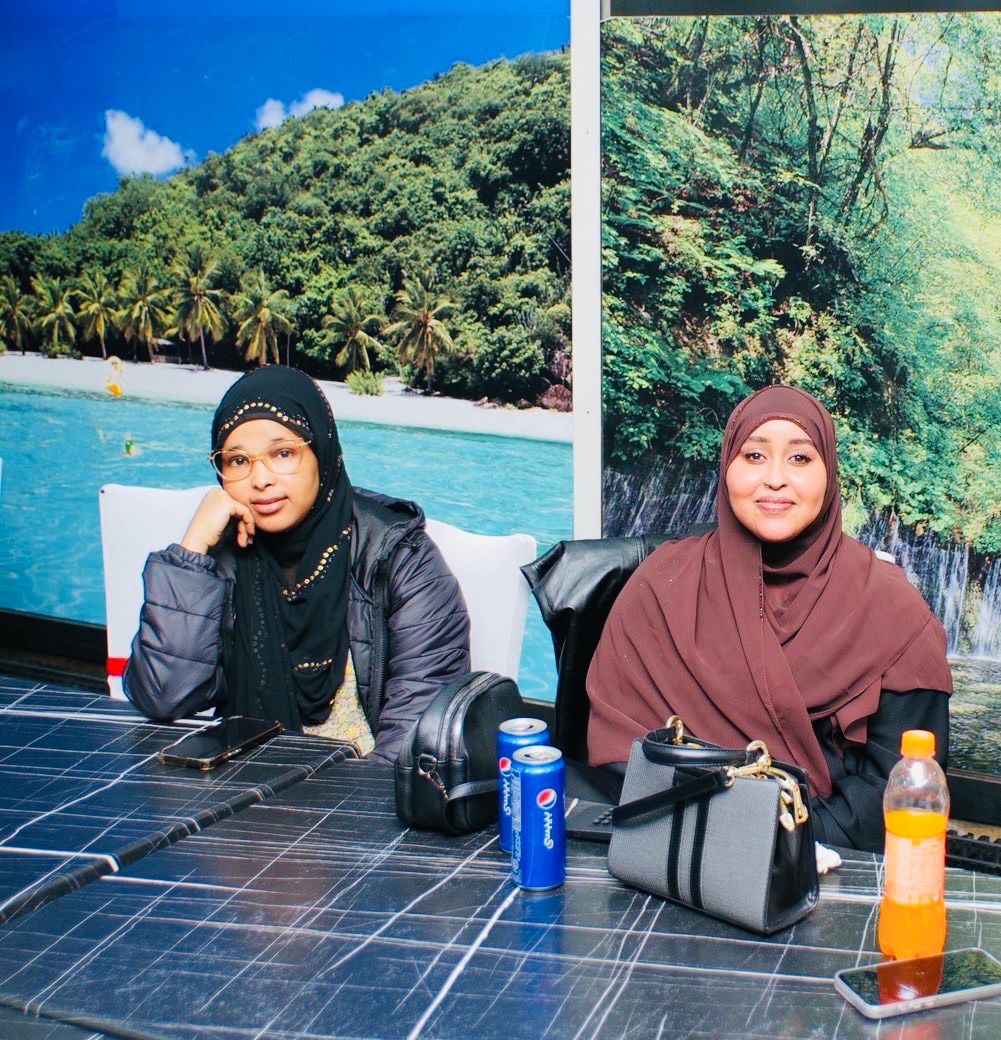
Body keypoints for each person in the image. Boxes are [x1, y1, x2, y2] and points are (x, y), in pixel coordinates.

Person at [586, 384, 952, 851]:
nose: (775, 479)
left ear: (829, 473)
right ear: (727, 468)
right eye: (755, 456)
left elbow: (898, 790)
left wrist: (777, 845)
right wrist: (718, 837)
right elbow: (620, 751)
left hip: (823, 860)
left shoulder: (892, 609)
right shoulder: (661, 585)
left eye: (800, 458)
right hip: (674, 849)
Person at [124, 365, 471, 762]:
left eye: (283, 453)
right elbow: (164, 697)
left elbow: (416, 745)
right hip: (242, 785)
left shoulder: (400, 559)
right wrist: (193, 548)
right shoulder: (220, 559)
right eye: (237, 460)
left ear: (322, 451)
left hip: (364, 794)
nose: (260, 479)